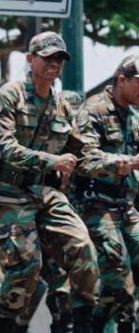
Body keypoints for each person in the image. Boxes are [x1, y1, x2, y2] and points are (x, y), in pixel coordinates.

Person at [0, 31, 98, 333]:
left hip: (43, 191)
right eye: (47, 57)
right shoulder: (10, 95)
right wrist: (51, 161)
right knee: (26, 269)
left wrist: (116, 162)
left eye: (59, 59)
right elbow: (6, 149)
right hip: (5, 193)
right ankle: (2, 327)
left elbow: (82, 151)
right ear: (30, 59)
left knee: (84, 251)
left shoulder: (62, 105)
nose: (53, 63)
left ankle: (83, 325)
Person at [74, 53, 139, 333]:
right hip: (95, 205)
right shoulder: (94, 110)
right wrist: (125, 163)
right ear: (121, 80)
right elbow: (85, 160)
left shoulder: (133, 116)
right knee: (117, 273)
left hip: (126, 205)